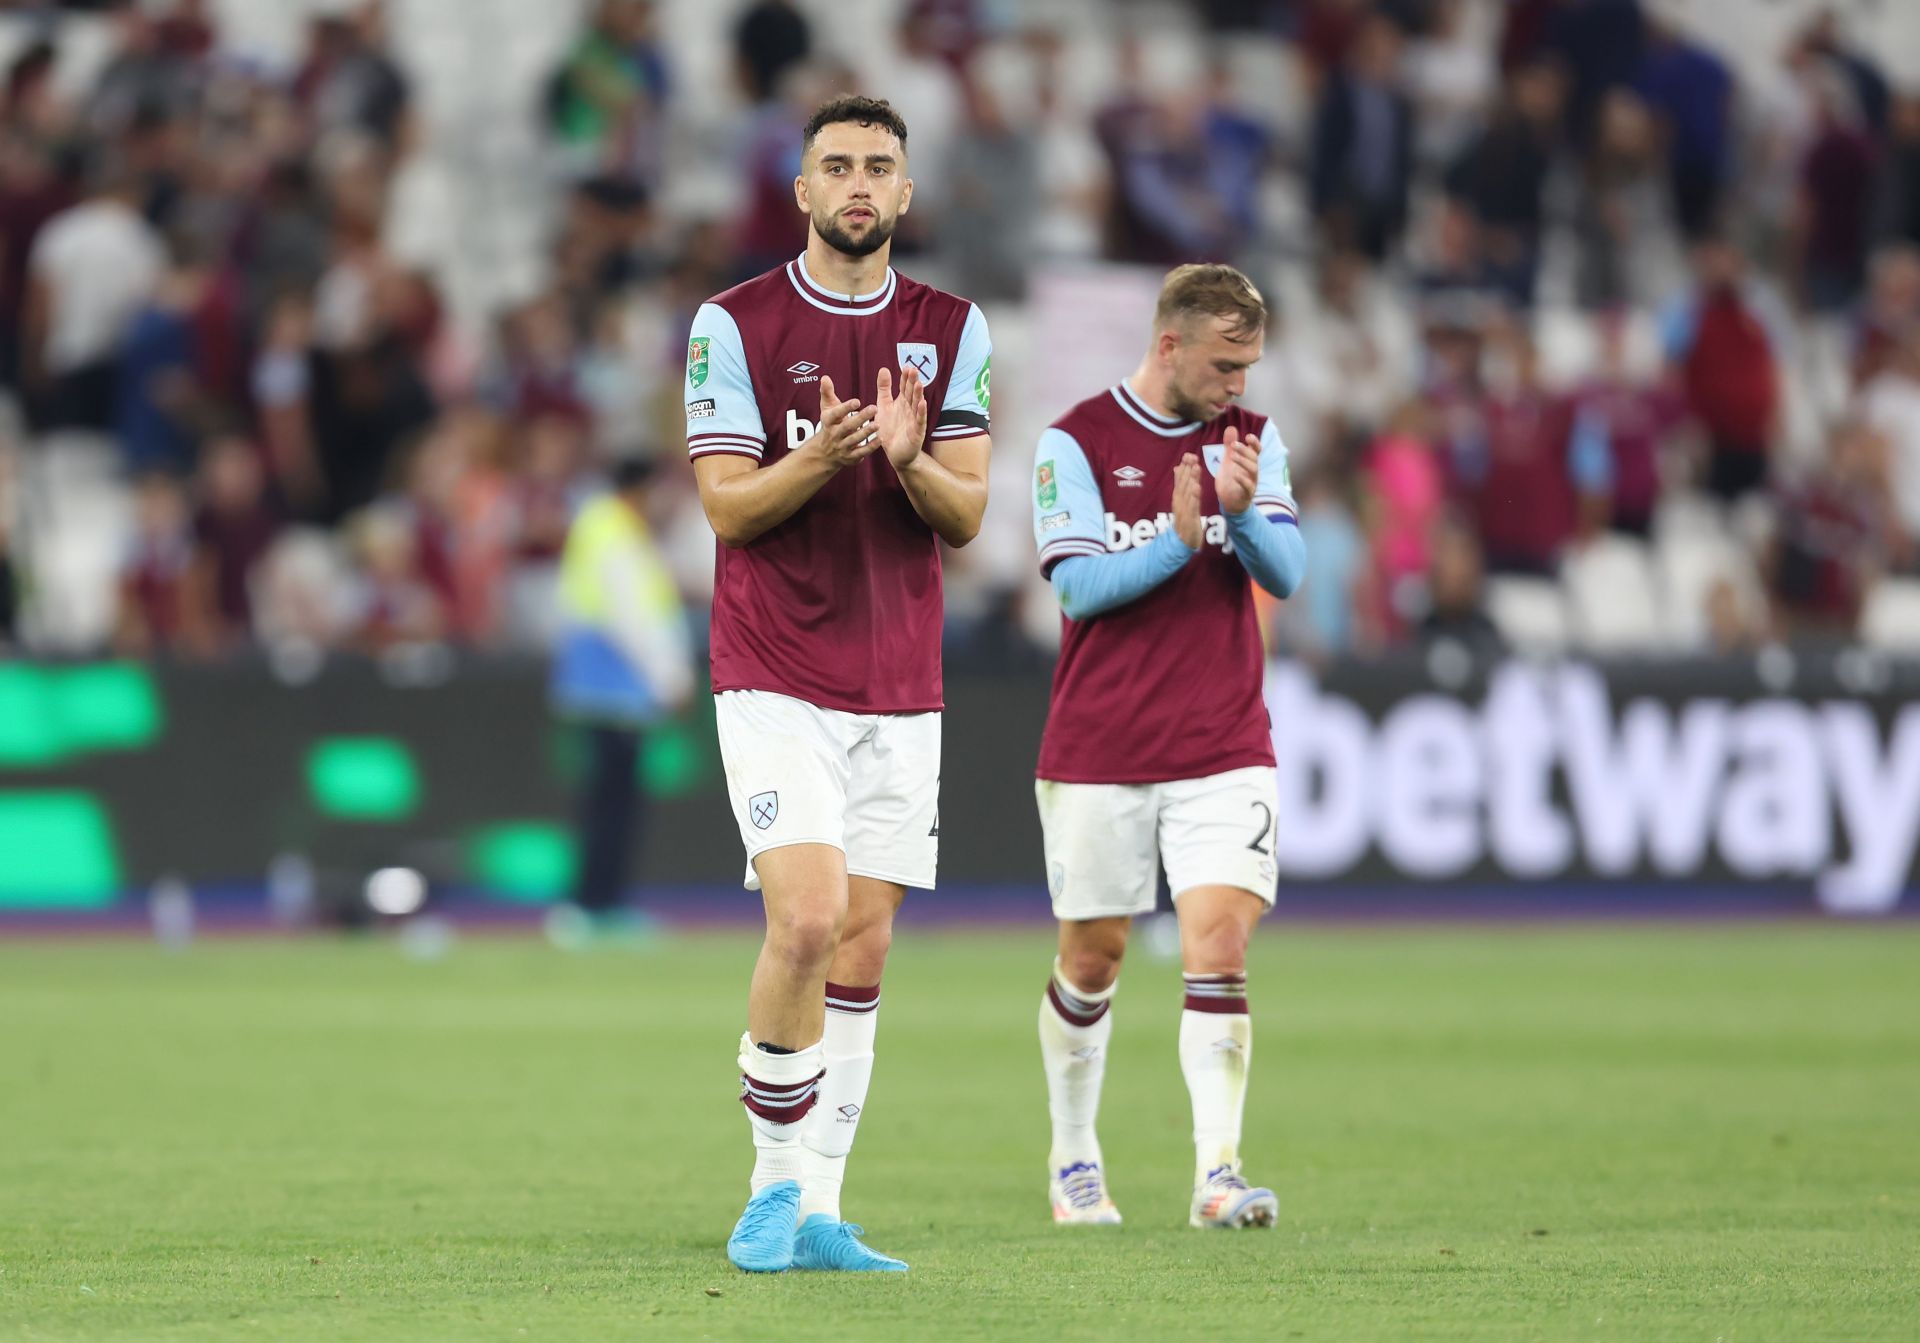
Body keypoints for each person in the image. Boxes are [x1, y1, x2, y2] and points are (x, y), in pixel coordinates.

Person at [684, 95, 991, 1273]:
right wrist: (815, 457)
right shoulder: (734, 323)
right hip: (773, 669)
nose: (859, 184)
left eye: (880, 166)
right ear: (801, 191)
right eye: (837, 166)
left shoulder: (953, 329)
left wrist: (911, 464)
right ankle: (769, 1190)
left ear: (907, 194)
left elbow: (964, 515)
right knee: (805, 915)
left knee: (861, 946)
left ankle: (821, 1207)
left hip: (900, 681)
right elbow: (726, 507)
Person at [1028, 264, 1304, 1229]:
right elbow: (1077, 589)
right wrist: (1177, 544)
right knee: (1093, 957)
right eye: (1226, 364)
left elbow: (1289, 568)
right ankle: (1073, 1156)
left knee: (1218, 941)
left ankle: (1217, 1173)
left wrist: (1234, 517)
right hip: (1100, 740)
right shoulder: (1075, 442)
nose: (1240, 384)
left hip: (1224, 738)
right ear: (1171, 343)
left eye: (1251, 366)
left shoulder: (1254, 442)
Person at [548, 458, 695, 941]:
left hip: (601, 690)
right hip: (615, 692)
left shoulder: (601, 525)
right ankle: (594, 907)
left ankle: (598, 905)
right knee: (612, 806)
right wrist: (669, 679)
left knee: (607, 803)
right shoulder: (616, 533)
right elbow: (631, 614)